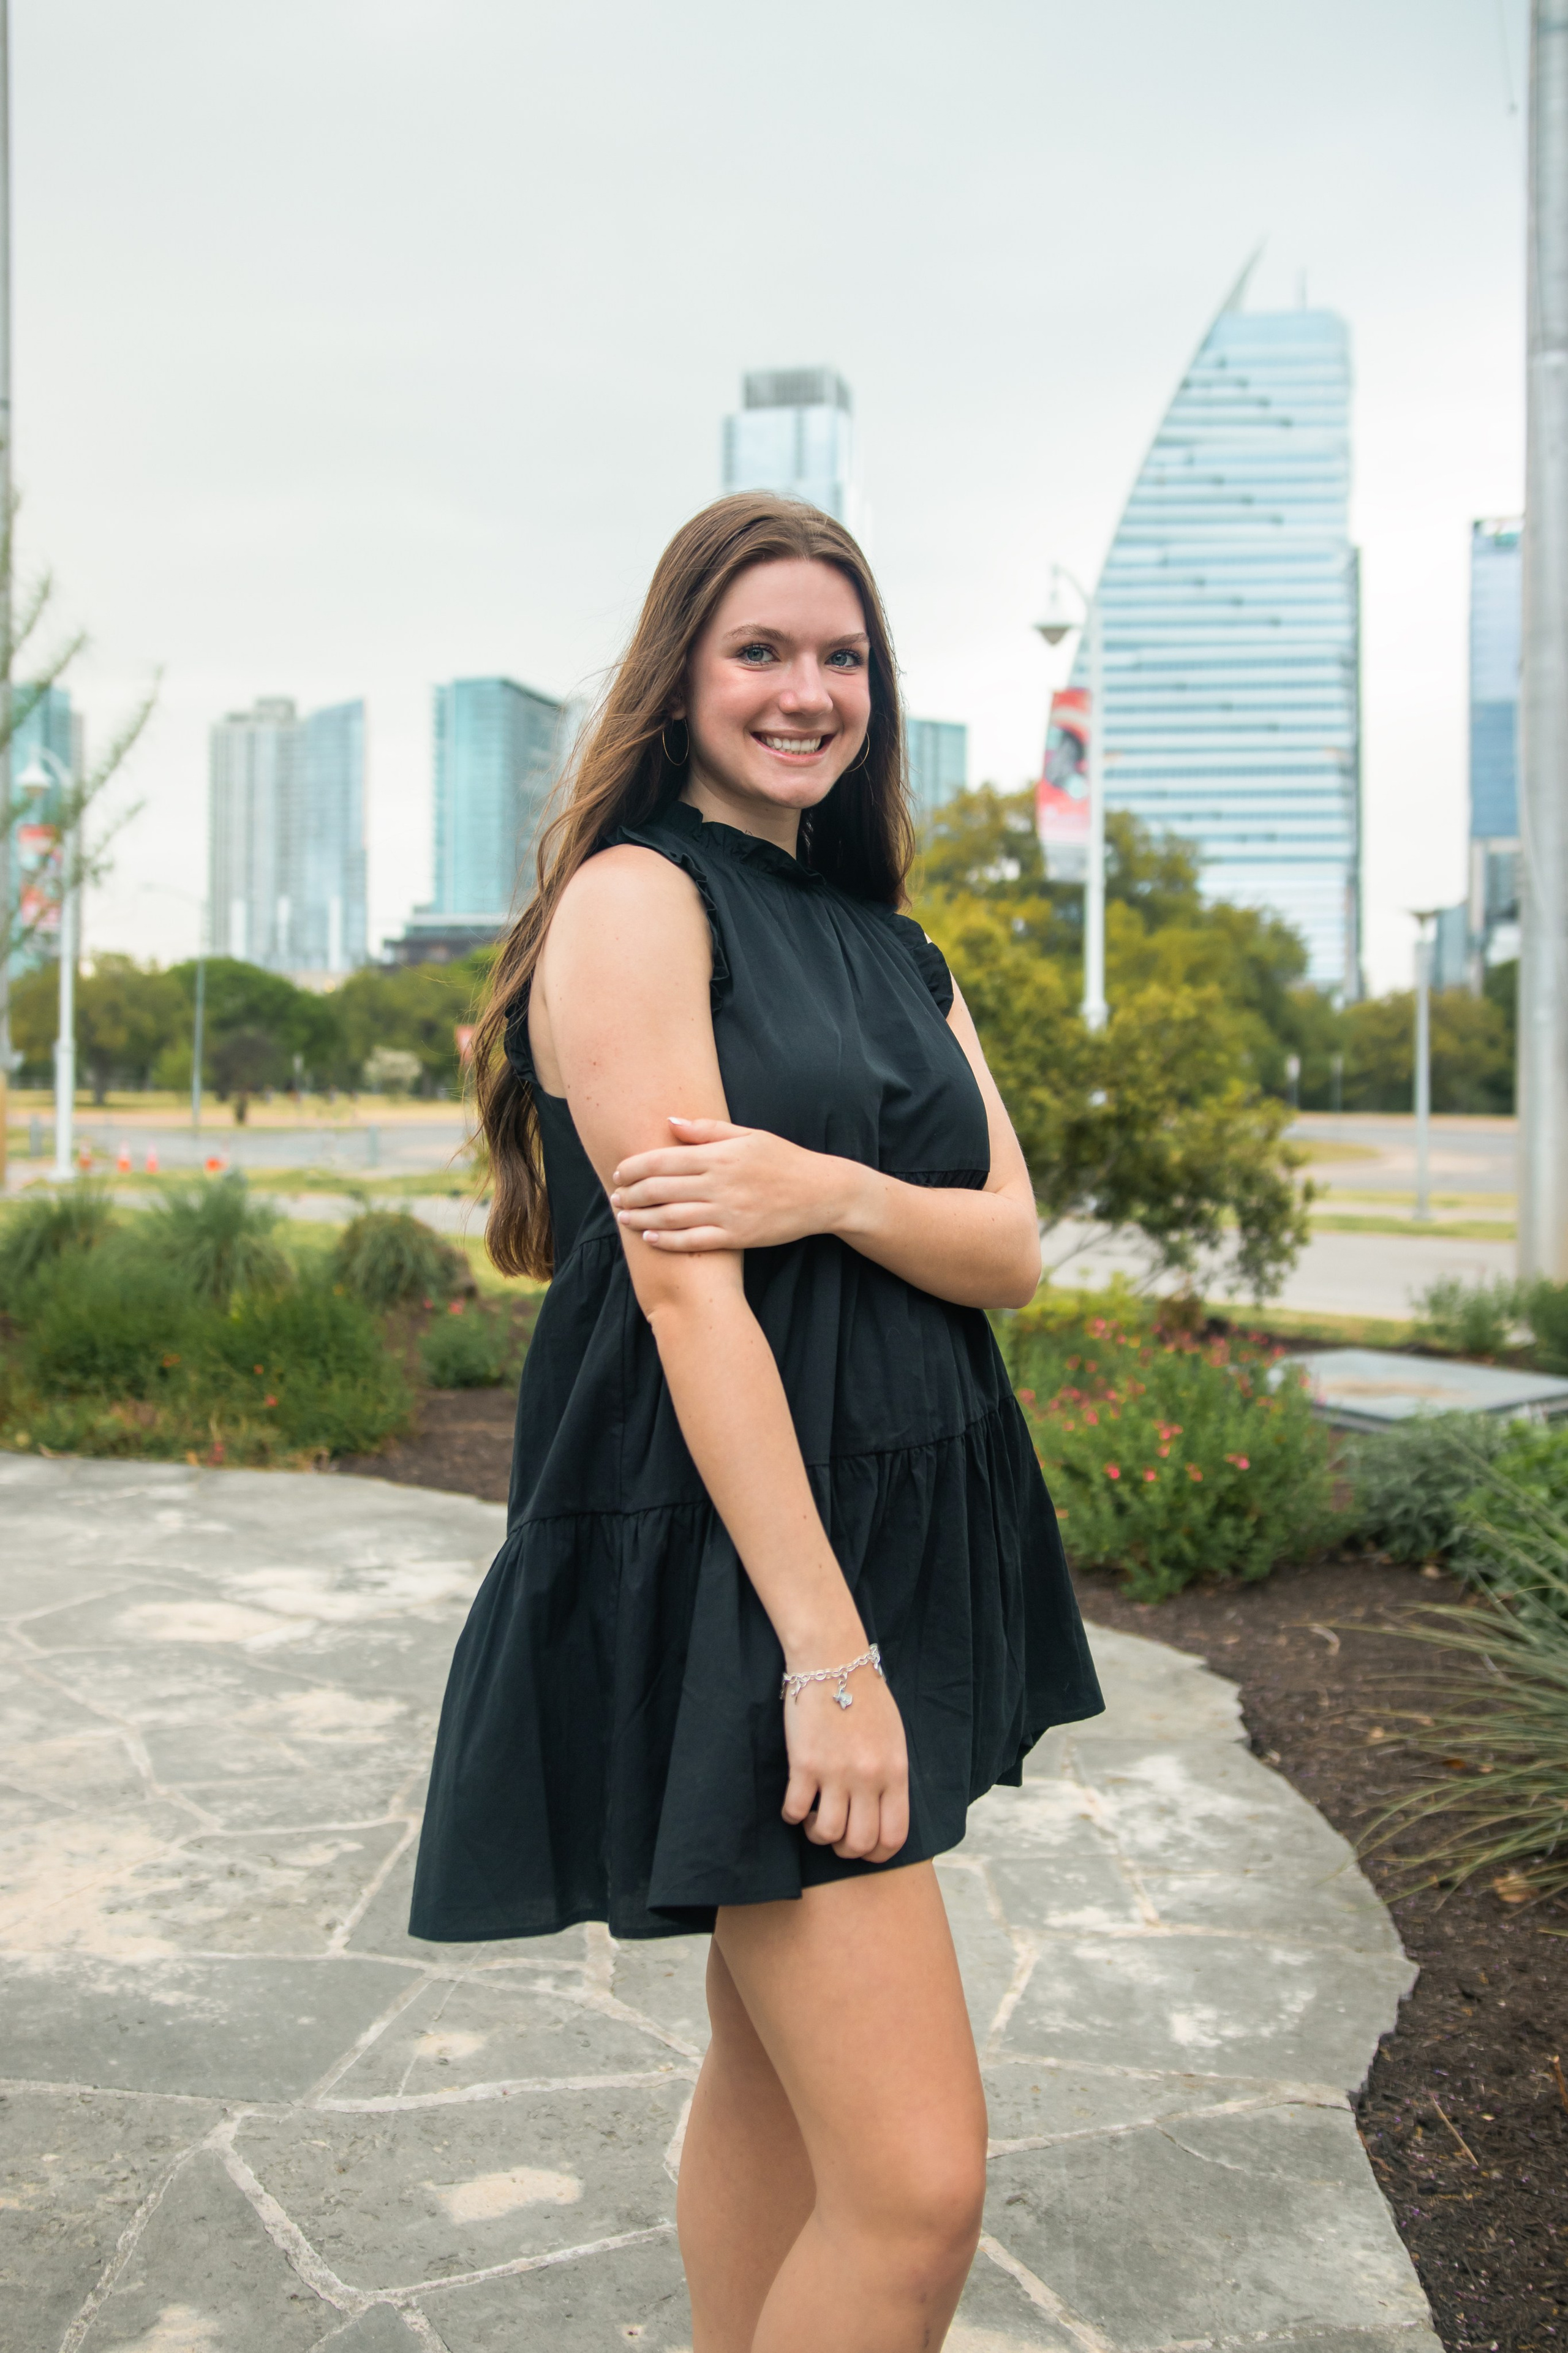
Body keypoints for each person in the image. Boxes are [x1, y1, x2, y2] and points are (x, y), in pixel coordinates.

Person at [410, 493, 1103, 2351]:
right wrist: (824, 1650)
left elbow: (1011, 1246)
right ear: (683, 673)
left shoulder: (895, 945)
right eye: (763, 651)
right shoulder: (639, 899)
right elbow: (681, 1293)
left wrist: (830, 1186)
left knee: (781, 2077)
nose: (810, 691)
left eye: (843, 656)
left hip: (891, 1521)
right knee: (920, 2190)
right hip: (756, 1567)